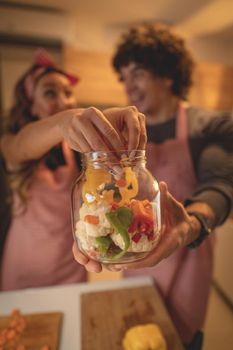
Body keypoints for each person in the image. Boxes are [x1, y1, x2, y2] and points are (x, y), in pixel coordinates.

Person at [73, 24, 233, 345]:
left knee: (180, 340)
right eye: (124, 77)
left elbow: (219, 186)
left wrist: (190, 224)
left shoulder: (209, 125)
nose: (129, 86)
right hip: (136, 253)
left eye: (139, 74)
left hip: (187, 254)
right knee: (138, 329)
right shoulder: (121, 138)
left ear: (168, 75)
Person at [0, 49, 146, 291]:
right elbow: (21, 145)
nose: (63, 101)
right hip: (24, 269)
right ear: (31, 106)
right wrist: (64, 120)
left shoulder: (78, 152)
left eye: (68, 93)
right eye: (50, 92)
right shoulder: (13, 143)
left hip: (71, 267)